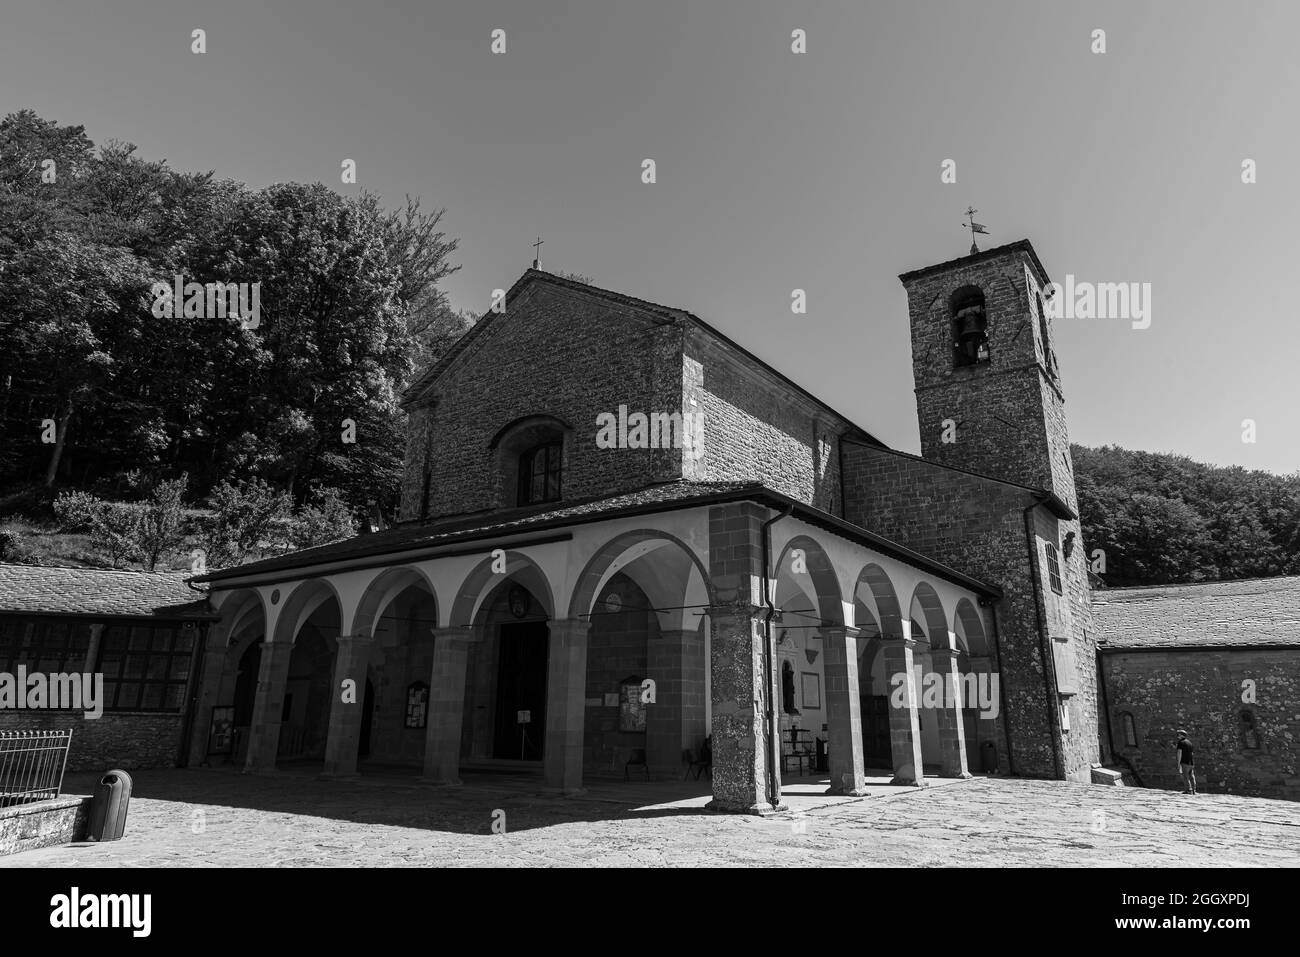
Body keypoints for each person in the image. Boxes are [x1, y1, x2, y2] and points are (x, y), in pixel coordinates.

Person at [1175, 729, 1196, 794]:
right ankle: (1194, 790)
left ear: (1181, 735)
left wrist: (1178, 763)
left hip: (1184, 762)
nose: (1177, 736)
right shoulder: (1190, 743)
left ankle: (1188, 790)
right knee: (1192, 776)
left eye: (1178, 734)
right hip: (1191, 762)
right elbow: (1192, 753)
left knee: (1185, 776)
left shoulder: (1180, 742)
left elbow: (1179, 753)